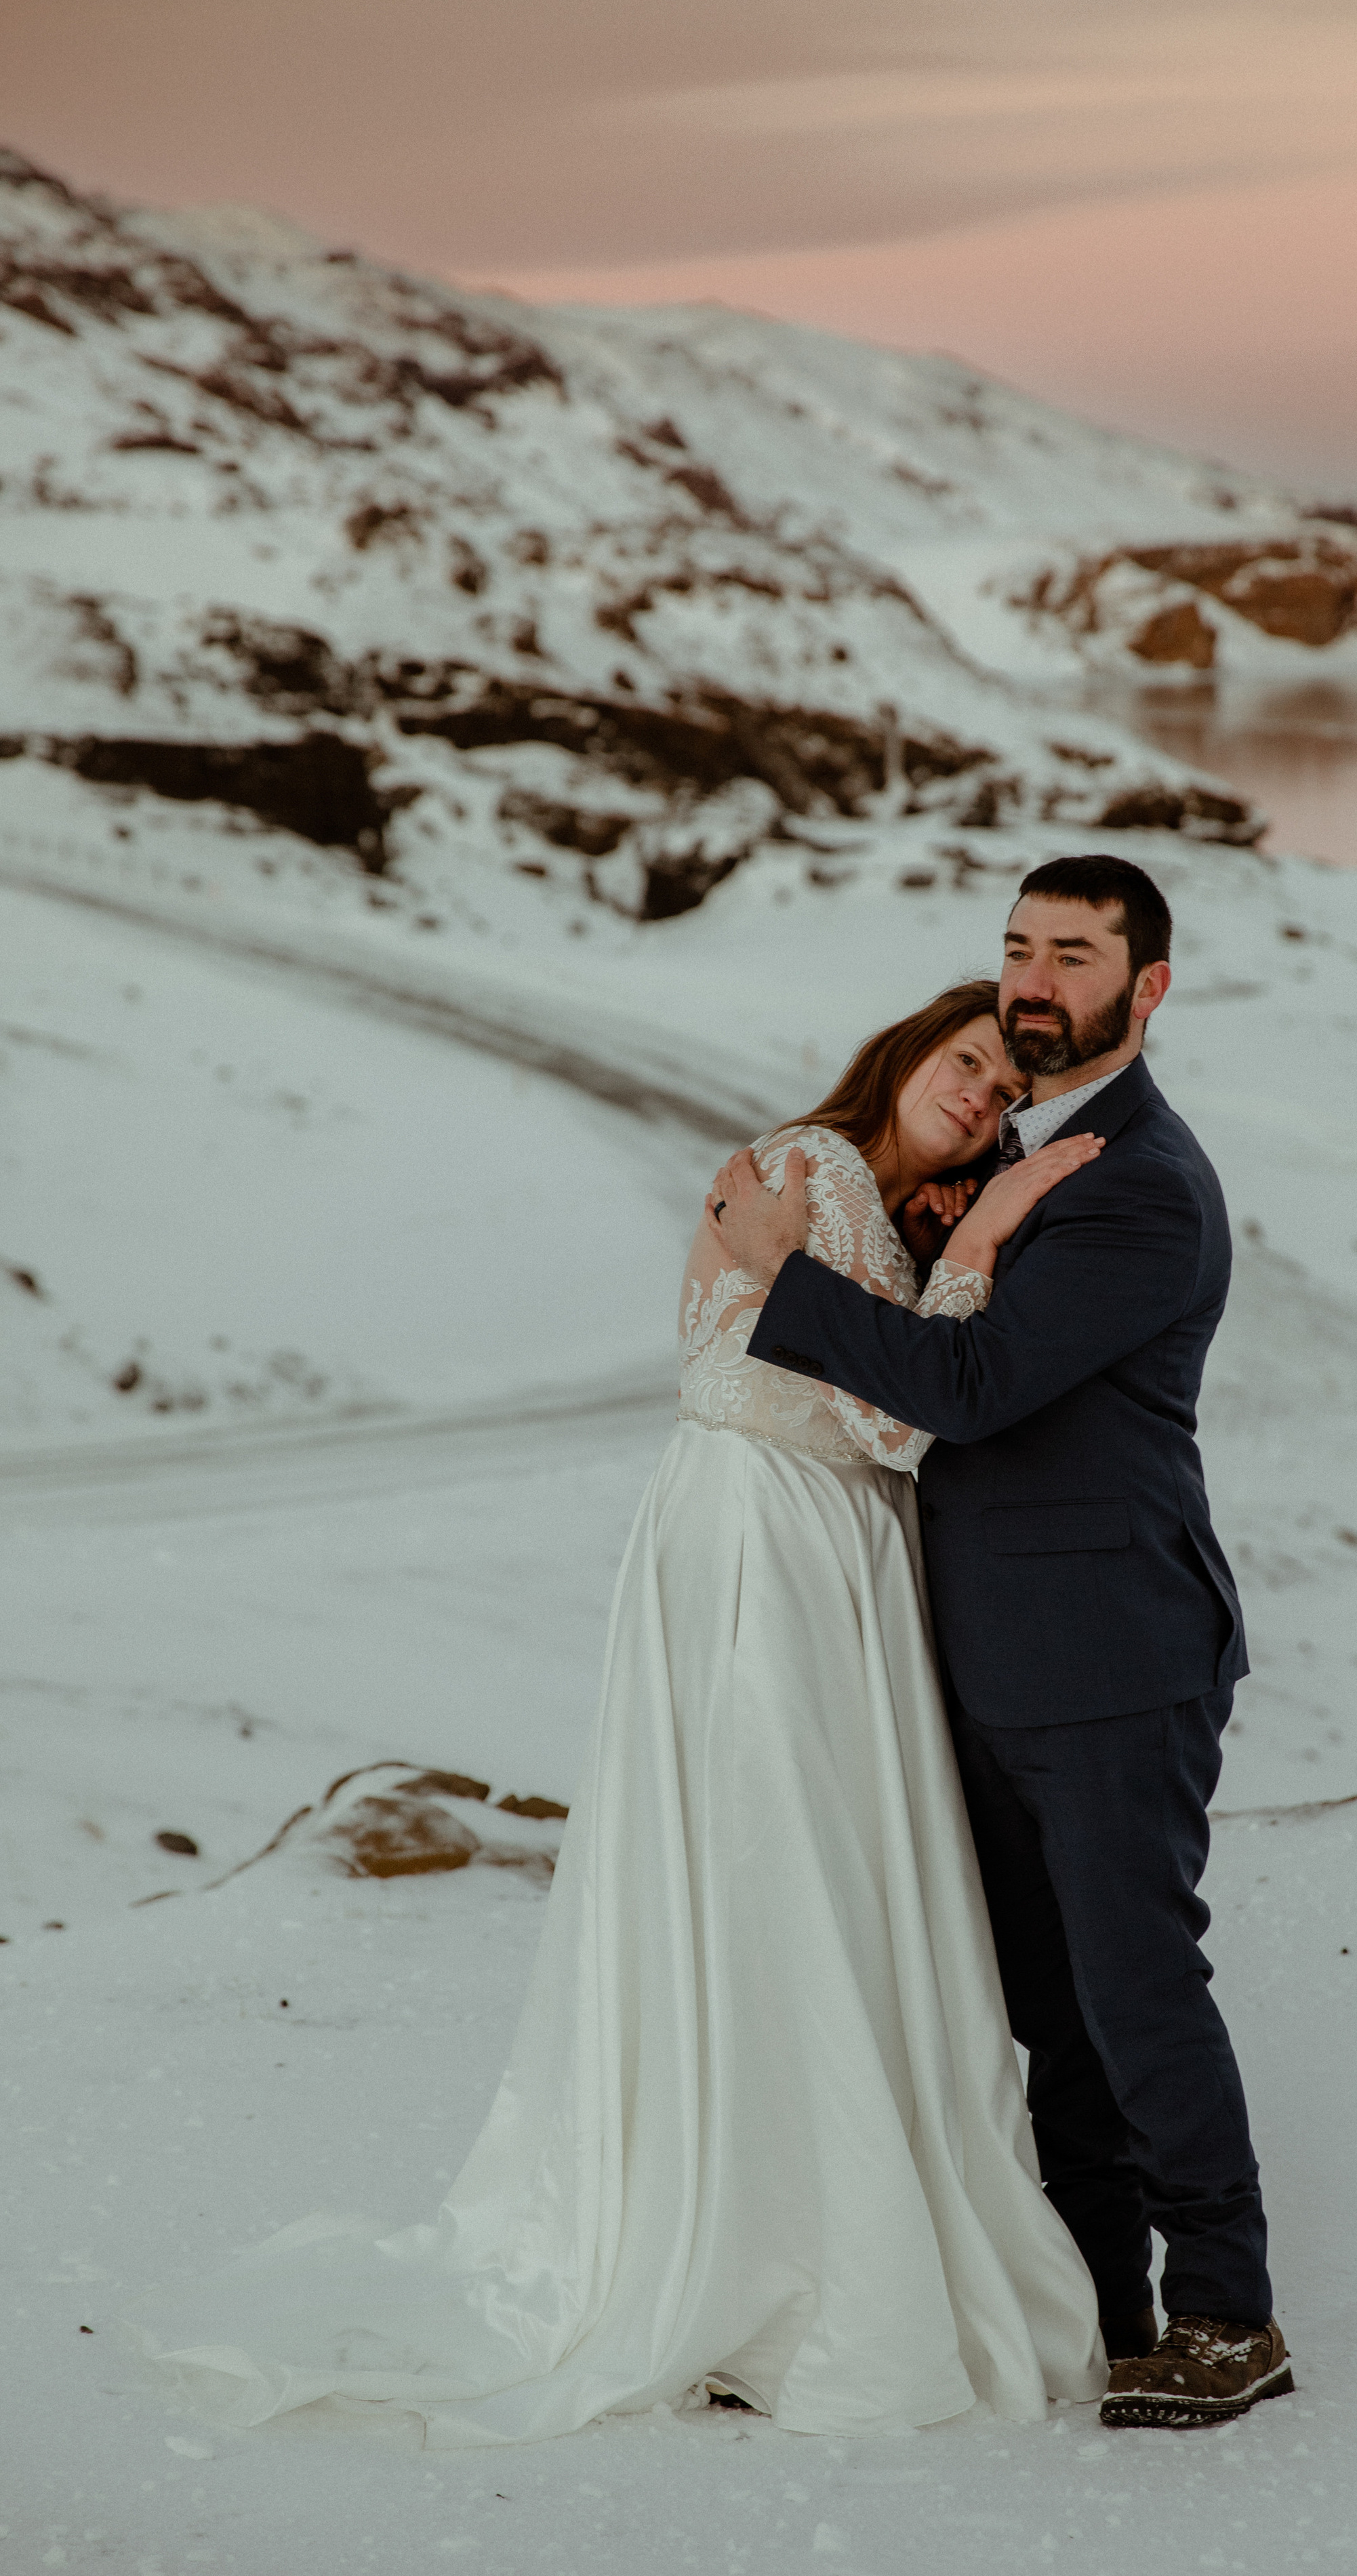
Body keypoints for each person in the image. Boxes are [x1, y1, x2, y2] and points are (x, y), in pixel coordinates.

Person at [132, 981, 1110, 2446]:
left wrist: (935, 1258)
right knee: (783, 1867)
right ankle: (776, 2242)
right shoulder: (816, 1171)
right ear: (900, 1052)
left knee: (782, 1870)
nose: (976, 1095)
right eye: (961, 1062)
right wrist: (974, 1248)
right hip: (769, 1541)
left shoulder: (843, 1197)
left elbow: (860, 1389)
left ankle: (768, 2200)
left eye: (998, 1095)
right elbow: (899, 1421)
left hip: (799, 1537)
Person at [708, 854, 1293, 2432]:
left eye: (1074, 957)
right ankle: (1105, 2311)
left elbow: (963, 1391)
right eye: (1017, 950)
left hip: (1113, 1651)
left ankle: (1229, 2314)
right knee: (1050, 2012)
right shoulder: (1027, 1156)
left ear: (1144, 988)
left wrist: (784, 1280)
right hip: (987, 1658)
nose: (1033, 982)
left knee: (1135, 1989)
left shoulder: (1140, 1186)